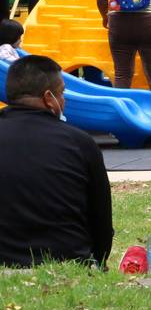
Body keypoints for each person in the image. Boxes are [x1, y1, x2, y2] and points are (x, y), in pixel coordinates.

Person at [0, 55, 113, 268]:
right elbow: (101, 220)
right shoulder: (79, 142)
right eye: (62, 93)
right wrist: (97, 260)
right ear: (49, 98)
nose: (64, 100)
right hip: (68, 259)